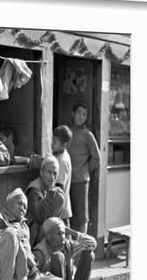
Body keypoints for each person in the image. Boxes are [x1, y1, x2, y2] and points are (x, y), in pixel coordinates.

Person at [33, 217, 97, 280]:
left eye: (64, 233)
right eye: (59, 234)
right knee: (58, 257)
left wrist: (72, 232)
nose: (63, 237)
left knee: (89, 254)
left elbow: (92, 244)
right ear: (48, 236)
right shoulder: (40, 252)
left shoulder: (67, 245)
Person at [67, 102, 101, 233]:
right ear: (73, 114)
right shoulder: (67, 131)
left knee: (82, 217)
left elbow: (96, 158)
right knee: (68, 213)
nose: (81, 117)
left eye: (84, 115)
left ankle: (83, 245)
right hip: (66, 179)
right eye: (79, 113)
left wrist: (85, 170)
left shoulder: (87, 134)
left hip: (81, 181)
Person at [25, 155, 66, 248]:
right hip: (33, 237)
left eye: (55, 173)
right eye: (49, 172)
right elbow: (39, 217)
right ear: (42, 173)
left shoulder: (54, 190)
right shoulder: (34, 189)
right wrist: (51, 195)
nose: (52, 177)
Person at [52, 125, 73, 226]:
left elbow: (59, 186)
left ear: (64, 144)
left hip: (60, 206)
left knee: (64, 230)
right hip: (60, 205)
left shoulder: (62, 160)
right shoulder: (58, 155)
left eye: (55, 142)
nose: (52, 144)